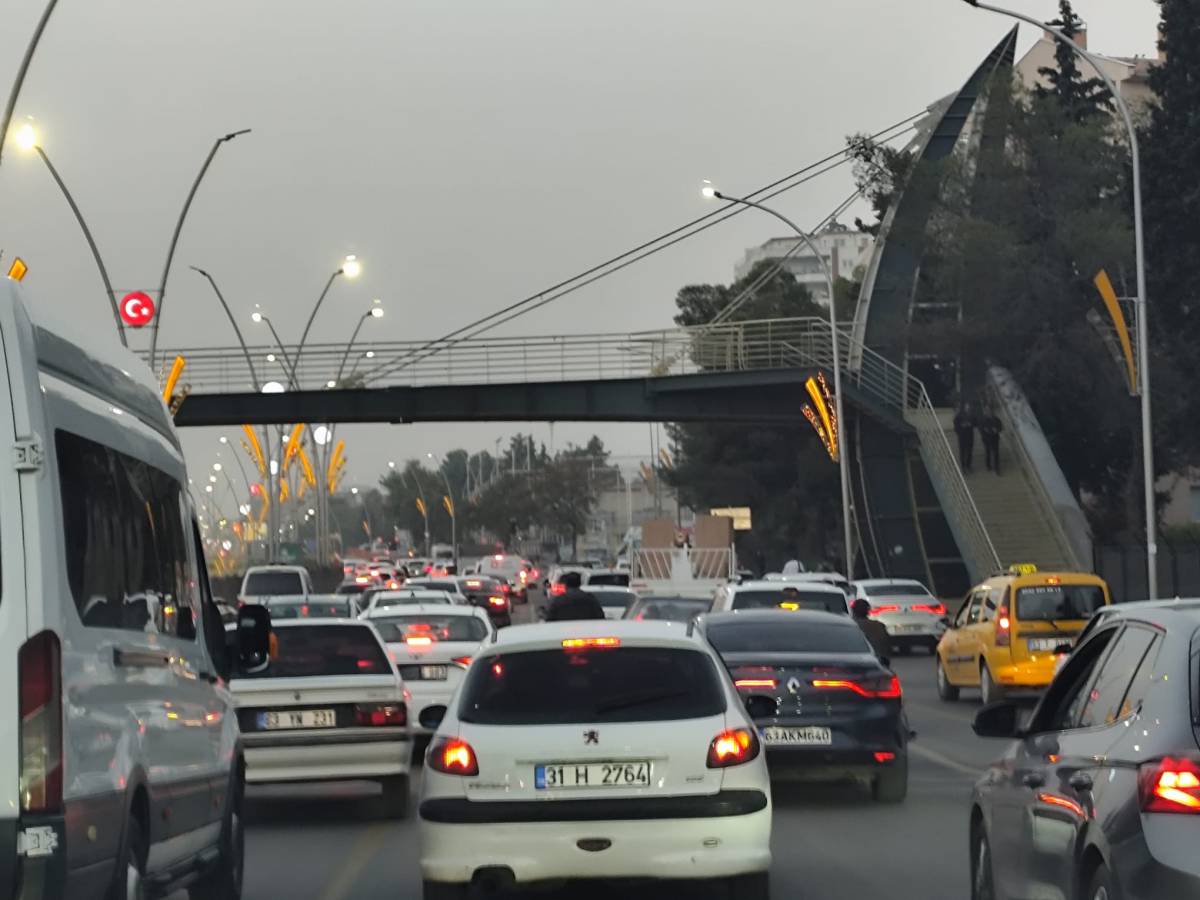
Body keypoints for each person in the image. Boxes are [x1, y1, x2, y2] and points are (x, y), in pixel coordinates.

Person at [953, 402, 977, 473]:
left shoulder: (972, 416)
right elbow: (956, 427)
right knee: (962, 452)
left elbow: (975, 423)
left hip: (970, 436)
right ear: (964, 408)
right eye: (967, 408)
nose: (968, 409)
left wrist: (970, 424)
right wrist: (962, 427)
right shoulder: (959, 416)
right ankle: (963, 467)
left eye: (969, 408)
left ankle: (968, 465)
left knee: (969, 452)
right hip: (962, 436)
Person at [980, 406, 1003, 475]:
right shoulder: (983, 419)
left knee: (996, 453)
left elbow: (1000, 427)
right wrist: (988, 430)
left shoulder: (996, 419)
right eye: (987, 411)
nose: (989, 412)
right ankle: (988, 466)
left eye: (990, 411)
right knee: (988, 452)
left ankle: (996, 468)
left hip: (995, 438)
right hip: (986, 438)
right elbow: (981, 428)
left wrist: (997, 430)